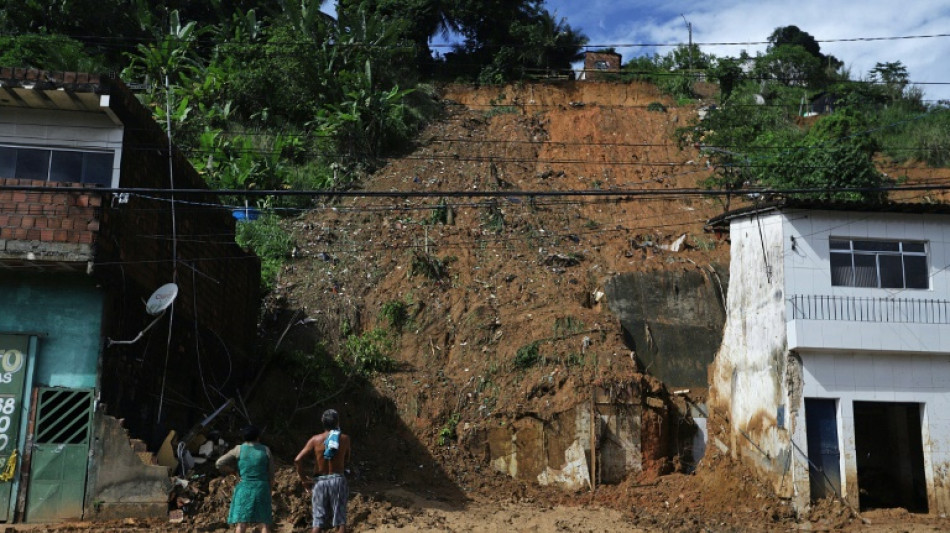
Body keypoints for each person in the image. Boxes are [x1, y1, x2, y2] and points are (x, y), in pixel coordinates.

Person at [295, 409, 351, 533]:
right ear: (337, 422)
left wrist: (304, 480)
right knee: (340, 521)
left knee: (318, 522)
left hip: (319, 482)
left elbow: (298, 460)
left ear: (322, 422)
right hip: (337, 480)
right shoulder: (345, 439)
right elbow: (347, 459)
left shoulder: (315, 440)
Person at [215, 425, 275, 533]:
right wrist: (269, 491)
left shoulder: (238, 449)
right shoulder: (266, 450)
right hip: (261, 488)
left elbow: (219, 463)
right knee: (264, 524)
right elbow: (271, 475)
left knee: (241, 524)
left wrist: (232, 471)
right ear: (258, 437)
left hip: (244, 487)